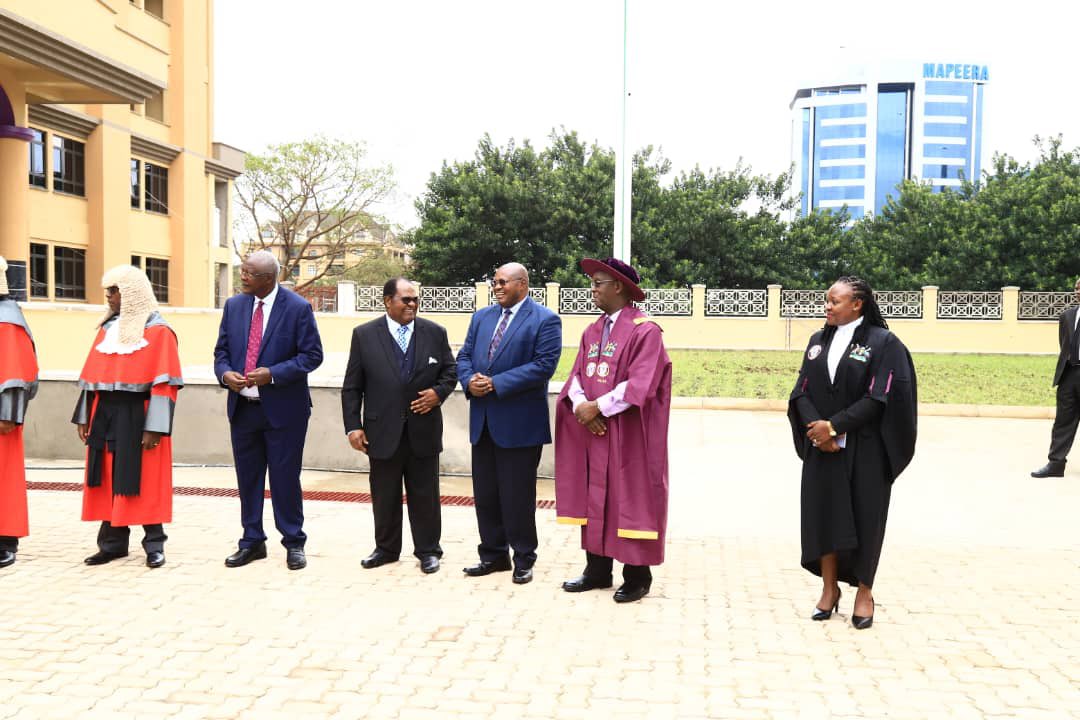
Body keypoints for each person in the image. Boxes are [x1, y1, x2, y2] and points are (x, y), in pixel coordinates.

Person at [788, 276, 917, 629]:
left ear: (857, 304)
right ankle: (829, 590)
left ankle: (864, 591)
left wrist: (835, 426)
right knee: (823, 517)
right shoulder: (817, 341)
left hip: (866, 450)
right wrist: (818, 429)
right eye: (827, 300)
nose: (827, 306)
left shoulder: (883, 343)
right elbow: (801, 391)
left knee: (865, 518)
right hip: (822, 447)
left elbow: (880, 397)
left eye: (835, 301)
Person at [554, 258, 672, 603]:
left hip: (628, 433)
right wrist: (580, 406)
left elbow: (641, 383)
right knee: (595, 495)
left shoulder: (645, 330)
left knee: (630, 497)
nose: (592, 289)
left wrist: (597, 407)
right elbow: (575, 375)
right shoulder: (592, 330)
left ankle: (637, 575)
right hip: (594, 430)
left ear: (618, 286)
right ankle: (597, 570)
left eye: (597, 283)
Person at [214, 250, 323, 570]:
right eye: (242, 271)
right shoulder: (234, 306)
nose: (242, 276)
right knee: (248, 478)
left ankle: (293, 541)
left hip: (284, 412)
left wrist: (272, 373)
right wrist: (224, 374)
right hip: (243, 409)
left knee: (284, 478)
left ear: (267, 278)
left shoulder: (298, 308)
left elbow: (312, 356)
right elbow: (221, 352)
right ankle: (252, 541)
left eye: (248, 273)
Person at [341, 278, 457, 574]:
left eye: (415, 299)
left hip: (423, 430)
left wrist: (438, 393)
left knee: (425, 494)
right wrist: (353, 426)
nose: (412, 304)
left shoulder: (434, 333)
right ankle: (386, 549)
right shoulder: (364, 335)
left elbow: (450, 371)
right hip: (382, 432)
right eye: (405, 300)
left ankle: (429, 551)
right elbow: (352, 387)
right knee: (384, 494)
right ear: (387, 301)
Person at [456, 262, 561, 584]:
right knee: (486, 495)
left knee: (517, 496)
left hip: (520, 425)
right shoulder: (481, 317)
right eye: (494, 282)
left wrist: (496, 383)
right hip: (483, 422)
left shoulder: (545, 320)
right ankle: (493, 555)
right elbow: (464, 357)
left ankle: (524, 557)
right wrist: (469, 381)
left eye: (503, 282)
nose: (497, 287)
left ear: (522, 284)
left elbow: (544, 366)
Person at [73, 265, 182, 568]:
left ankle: (154, 545)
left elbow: (165, 385)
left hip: (140, 415)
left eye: (114, 290)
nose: (108, 296)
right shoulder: (107, 331)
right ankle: (112, 544)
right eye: (107, 290)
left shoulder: (160, 332)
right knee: (108, 477)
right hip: (104, 413)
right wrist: (84, 417)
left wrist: (156, 428)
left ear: (131, 292)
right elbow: (90, 381)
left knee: (145, 480)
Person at [0, 256, 39, 568]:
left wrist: (9, 413)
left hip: (1, 417)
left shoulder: (8, 319)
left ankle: (5, 539)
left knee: (4, 478)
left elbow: (15, 370)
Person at [1031, 277, 1080, 478]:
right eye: (1077, 287)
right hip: (1069, 374)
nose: (1078, 291)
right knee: (1063, 421)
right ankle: (1056, 464)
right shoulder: (1067, 316)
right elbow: (1064, 345)